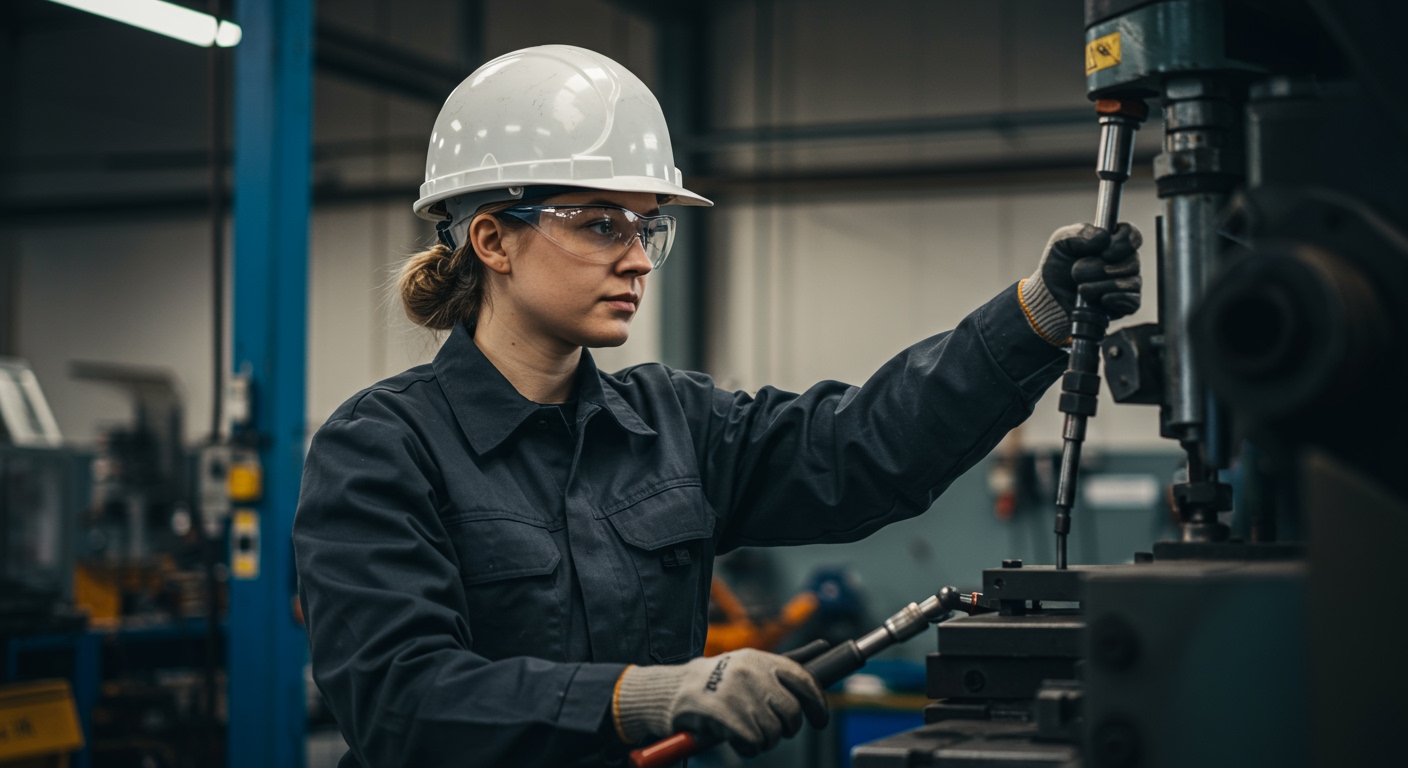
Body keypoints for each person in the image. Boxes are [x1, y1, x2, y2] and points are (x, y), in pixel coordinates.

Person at [292, 44, 1141, 768]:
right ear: (491, 239)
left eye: (647, 227)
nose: (638, 260)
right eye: (600, 225)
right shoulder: (380, 449)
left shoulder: (673, 424)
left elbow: (863, 449)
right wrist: (648, 695)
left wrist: (1036, 316)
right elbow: (398, 699)